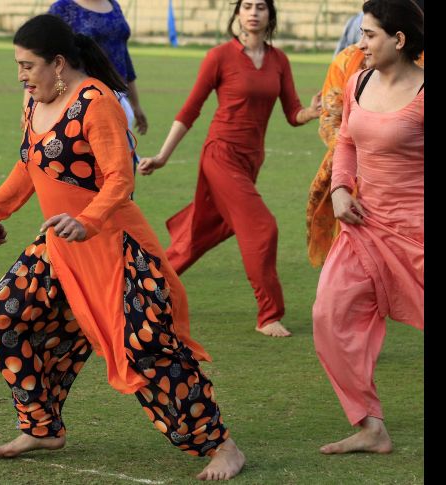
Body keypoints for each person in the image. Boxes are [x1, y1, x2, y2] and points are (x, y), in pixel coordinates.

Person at [0, 14, 245, 481]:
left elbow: (120, 177)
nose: (20, 75)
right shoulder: (35, 101)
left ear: (58, 63)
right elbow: (29, 166)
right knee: (0, 318)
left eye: (27, 66)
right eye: (18, 65)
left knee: (148, 347)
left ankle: (221, 445)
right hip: (61, 249)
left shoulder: (95, 102)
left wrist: (88, 220)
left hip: (118, 250)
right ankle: (41, 426)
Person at [137, 0, 321, 338]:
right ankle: (269, 315)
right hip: (220, 156)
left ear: (270, 15)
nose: (253, 12)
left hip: (251, 161)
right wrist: (163, 156)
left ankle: (141, 286)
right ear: (237, 13)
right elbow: (191, 109)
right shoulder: (219, 56)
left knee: (198, 235)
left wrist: (310, 112)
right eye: (247, 6)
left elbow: (292, 111)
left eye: (260, 7)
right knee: (263, 228)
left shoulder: (279, 60)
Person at [312, 0, 423, 455]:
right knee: (328, 316)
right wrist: (340, 190)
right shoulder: (358, 80)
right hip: (363, 224)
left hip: (415, 230)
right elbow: (346, 142)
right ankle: (370, 426)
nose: (360, 43)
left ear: (399, 40)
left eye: (370, 34)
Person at [307, 3, 424, 269]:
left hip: (409, 210)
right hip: (354, 196)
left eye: (369, 35)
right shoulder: (348, 66)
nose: (361, 42)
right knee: (338, 299)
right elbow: (331, 120)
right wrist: (343, 182)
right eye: (362, 33)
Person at [48, 0, 147, 138]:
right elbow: (45, 54)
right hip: (83, 99)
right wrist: (28, 103)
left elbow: (123, 55)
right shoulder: (62, 8)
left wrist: (135, 104)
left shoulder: (114, 5)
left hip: (118, 97)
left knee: (122, 153)